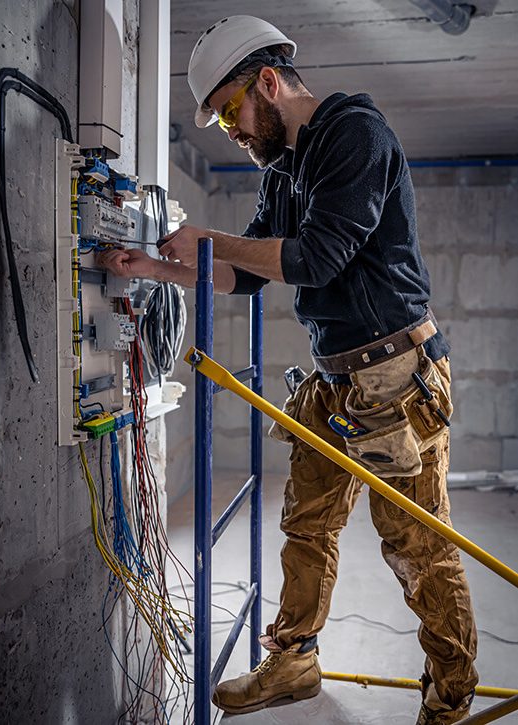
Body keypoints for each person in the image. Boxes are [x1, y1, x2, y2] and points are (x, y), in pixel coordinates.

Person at [98, 16, 478, 724]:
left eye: (232, 113)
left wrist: (208, 236)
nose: (232, 132)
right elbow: (248, 275)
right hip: (334, 376)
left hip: (395, 376)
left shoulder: (353, 135)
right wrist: (157, 266)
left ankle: (451, 692)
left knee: (416, 547)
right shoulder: (284, 168)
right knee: (306, 524)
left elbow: (315, 257)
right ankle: (294, 658)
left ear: (267, 83)